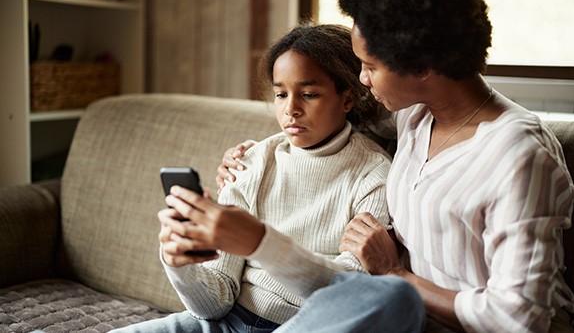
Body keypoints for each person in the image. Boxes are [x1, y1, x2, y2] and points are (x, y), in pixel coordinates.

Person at [217, 0, 574, 332]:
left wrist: (395, 274)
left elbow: (518, 318)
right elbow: (320, 110)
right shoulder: (414, 116)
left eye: (370, 66)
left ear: (421, 65)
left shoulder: (520, 155)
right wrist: (251, 158)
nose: (361, 78)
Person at [113, 23, 425, 333]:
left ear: (347, 99)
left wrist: (260, 240)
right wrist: (180, 267)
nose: (291, 109)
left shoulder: (373, 174)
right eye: (280, 94)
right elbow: (214, 305)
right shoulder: (251, 162)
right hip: (224, 322)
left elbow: (350, 297)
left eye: (309, 94)